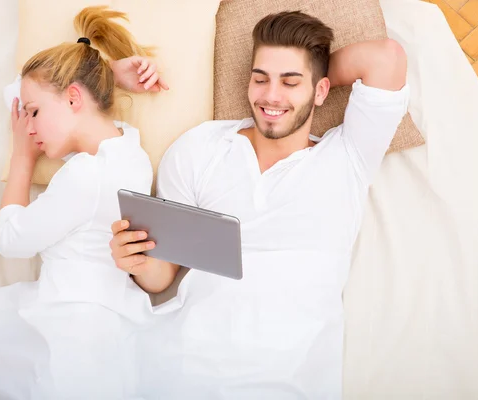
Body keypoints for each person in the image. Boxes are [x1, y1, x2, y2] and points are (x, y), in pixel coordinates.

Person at [111, 11, 409, 398]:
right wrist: (133, 259)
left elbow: (386, 58)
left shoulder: (348, 156)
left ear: (321, 91)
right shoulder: (200, 148)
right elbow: (161, 277)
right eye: (261, 78)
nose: (270, 96)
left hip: (289, 380)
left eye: (290, 82)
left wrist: (313, 74)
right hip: (185, 367)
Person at [0, 6, 166, 399]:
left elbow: (10, 239)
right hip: (110, 315)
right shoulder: (128, 148)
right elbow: (24, 94)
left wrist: (22, 159)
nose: (27, 127)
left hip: (69, 323)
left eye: (33, 113)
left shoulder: (83, 175)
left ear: (73, 98)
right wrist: (105, 75)